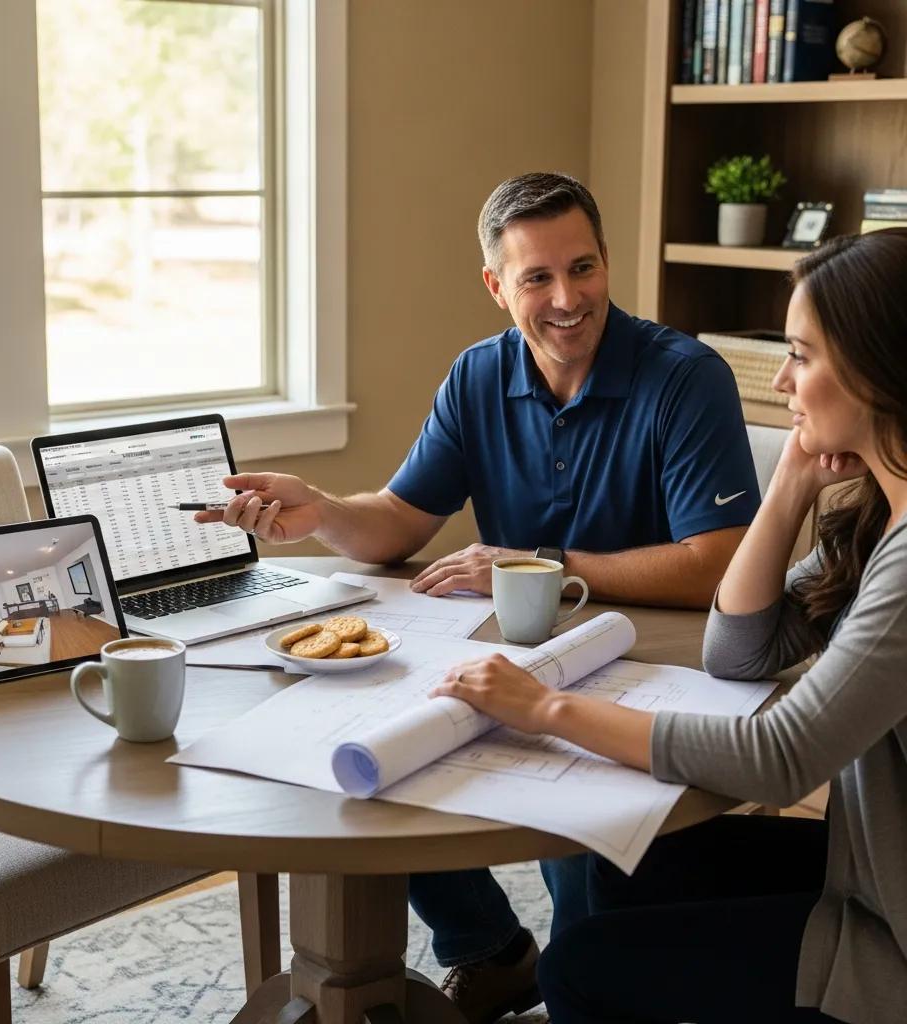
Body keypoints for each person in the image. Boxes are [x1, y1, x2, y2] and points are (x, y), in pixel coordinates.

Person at [198, 171, 761, 1023]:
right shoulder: (477, 376)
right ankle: (490, 952)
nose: (567, 298)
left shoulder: (686, 378)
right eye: (537, 278)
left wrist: (537, 560)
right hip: (513, 651)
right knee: (370, 755)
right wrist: (321, 513)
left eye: (584, 268)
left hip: (647, 664)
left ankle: (580, 984)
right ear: (497, 287)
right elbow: (396, 522)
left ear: (608, 261)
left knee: (581, 861)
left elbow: (718, 564)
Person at [431, 228, 907, 1023]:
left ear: (878, 369)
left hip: (890, 930)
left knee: (581, 966)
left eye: (801, 354)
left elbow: (782, 757)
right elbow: (739, 649)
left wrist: (545, 707)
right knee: (630, 865)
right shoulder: (875, 521)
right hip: (872, 864)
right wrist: (790, 480)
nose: (784, 380)